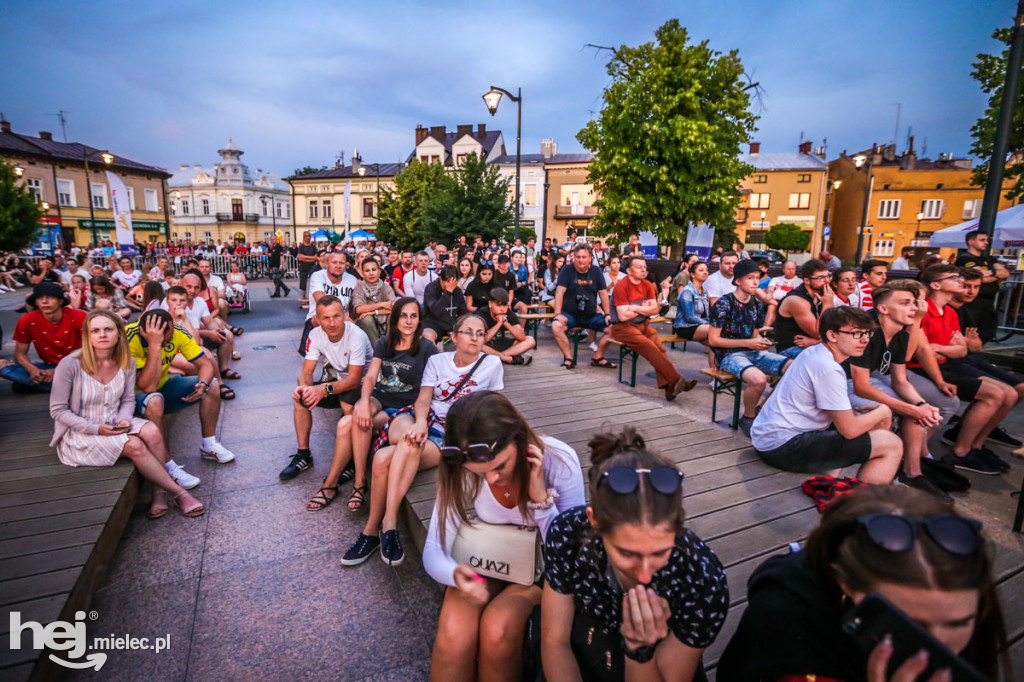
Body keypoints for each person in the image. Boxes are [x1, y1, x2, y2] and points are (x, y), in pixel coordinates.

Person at [717, 485, 1007, 682]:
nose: (934, 648)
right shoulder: (782, 625)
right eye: (912, 626)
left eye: (958, 624)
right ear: (845, 583)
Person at [542, 427, 728, 681]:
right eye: (627, 553)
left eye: (660, 552)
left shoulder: (702, 578)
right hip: (585, 651)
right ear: (594, 521)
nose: (644, 573)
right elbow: (554, 643)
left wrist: (639, 650)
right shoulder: (568, 534)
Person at [426, 391, 586, 682]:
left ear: (519, 436)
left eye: (499, 467)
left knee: (499, 627)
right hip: (484, 562)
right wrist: (459, 576)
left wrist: (541, 503)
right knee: (453, 631)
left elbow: (572, 556)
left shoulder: (559, 461)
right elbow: (434, 549)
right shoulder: (461, 468)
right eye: (479, 473)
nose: (492, 479)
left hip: (544, 572)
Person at [341, 314, 504, 567]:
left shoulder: (492, 364)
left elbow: (494, 407)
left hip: (449, 434)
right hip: (417, 417)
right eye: (468, 331)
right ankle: (388, 526)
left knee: (385, 457)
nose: (475, 337)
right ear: (454, 336)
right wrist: (419, 423)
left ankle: (374, 530)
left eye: (480, 333)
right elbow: (424, 398)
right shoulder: (438, 361)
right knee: (409, 438)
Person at [49, 311, 204, 518]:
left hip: (114, 422)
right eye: (95, 330)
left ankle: (159, 493)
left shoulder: (127, 362)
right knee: (134, 445)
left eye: (108, 329)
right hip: (81, 433)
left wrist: (123, 419)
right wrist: (96, 428)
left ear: (118, 334)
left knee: (152, 431)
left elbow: (128, 400)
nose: (102, 334)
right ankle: (179, 493)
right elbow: (57, 410)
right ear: (87, 336)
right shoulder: (70, 364)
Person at [308, 297, 438, 512]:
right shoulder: (384, 342)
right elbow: (370, 377)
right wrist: (364, 402)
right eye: (403, 315)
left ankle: (344, 484)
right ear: (395, 318)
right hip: (382, 398)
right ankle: (358, 481)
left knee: (347, 423)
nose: (408, 321)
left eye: (413, 316)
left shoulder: (427, 349)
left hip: (406, 407)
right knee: (357, 416)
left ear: (419, 320)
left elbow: (432, 386)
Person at [751, 306, 903, 484]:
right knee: (891, 443)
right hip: (782, 446)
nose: (864, 340)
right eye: (856, 334)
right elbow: (850, 430)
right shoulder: (827, 367)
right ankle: (863, 500)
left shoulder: (815, 353)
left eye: (867, 333)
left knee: (863, 420)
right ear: (832, 335)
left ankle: (830, 481)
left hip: (770, 438)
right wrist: (883, 410)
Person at [846, 282, 959, 500]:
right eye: (905, 303)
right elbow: (860, 385)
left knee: (917, 410)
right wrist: (911, 408)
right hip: (838, 382)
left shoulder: (900, 334)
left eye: (914, 303)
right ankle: (876, 479)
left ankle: (913, 473)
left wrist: (920, 405)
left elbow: (900, 380)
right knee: (891, 411)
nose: (914, 308)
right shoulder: (866, 331)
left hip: (864, 381)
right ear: (883, 309)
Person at [912, 265, 1011, 475]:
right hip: (920, 369)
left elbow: (961, 349)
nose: (960, 280)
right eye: (954, 277)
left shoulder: (949, 311)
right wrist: (945, 350)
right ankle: (961, 450)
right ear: (936, 285)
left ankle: (975, 446)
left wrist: (939, 348)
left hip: (944, 364)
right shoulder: (922, 309)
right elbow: (922, 352)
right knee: (995, 394)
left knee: (1008, 392)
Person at [128, 309, 237, 467]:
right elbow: (148, 386)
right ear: (143, 332)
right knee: (154, 401)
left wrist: (202, 384)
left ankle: (209, 444)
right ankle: (166, 465)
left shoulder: (177, 331)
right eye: (162, 342)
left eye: (168, 340)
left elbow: (205, 364)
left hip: (163, 385)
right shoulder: (129, 338)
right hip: (135, 395)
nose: (167, 345)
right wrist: (155, 345)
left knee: (212, 384)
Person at [279, 295, 371, 482]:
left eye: (336, 316)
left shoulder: (356, 336)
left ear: (345, 315)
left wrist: (323, 389)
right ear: (317, 319)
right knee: (301, 399)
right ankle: (304, 455)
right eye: (326, 318)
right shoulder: (315, 335)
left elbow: (354, 380)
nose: (332, 323)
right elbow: (306, 371)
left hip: (365, 385)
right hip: (338, 384)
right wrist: (304, 388)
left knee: (347, 404)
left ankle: (352, 460)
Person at [708, 259, 788, 437]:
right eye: (750, 278)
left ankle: (762, 409)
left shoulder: (756, 305)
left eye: (758, 278)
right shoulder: (723, 304)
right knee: (759, 380)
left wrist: (761, 343)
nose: (755, 282)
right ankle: (749, 417)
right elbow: (713, 340)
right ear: (738, 281)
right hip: (728, 355)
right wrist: (749, 343)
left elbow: (754, 333)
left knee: (796, 368)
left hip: (752, 351)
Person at [612, 257, 696, 400]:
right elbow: (623, 316)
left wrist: (633, 308)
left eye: (645, 267)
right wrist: (642, 308)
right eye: (639, 267)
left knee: (660, 348)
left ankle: (669, 388)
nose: (644, 269)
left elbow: (654, 310)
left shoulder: (648, 285)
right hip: (623, 328)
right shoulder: (622, 286)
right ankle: (676, 379)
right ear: (629, 271)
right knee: (650, 347)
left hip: (643, 324)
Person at [2, 282, 87, 392]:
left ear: (61, 301)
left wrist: (58, 371)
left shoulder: (79, 316)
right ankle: (55, 385)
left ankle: (41, 384)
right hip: (47, 367)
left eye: (50, 297)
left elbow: (93, 350)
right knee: (2, 366)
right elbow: (20, 354)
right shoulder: (27, 320)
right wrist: (32, 370)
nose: (44, 301)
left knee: (91, 371)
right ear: (36, 302)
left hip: (78, 366)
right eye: (40, 298)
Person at [551, 244, 618, 370]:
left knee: (614, 328)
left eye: (584, 257)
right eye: (578, 257)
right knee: (556, 326)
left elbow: (604, 294)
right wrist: (557, 314)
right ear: (574, 258)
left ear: (590, 258)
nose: (580, 260)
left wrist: (608, 314)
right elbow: (559, 292)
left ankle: (598, 357)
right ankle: (568, 358)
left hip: (591, 314)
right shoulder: (567, 270)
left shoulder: (596, 271)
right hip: (570, 315)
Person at [954, 230, 1010, 343]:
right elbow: (978, 277)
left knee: (988, 331)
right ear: (971, 242)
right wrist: (996, 274)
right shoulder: (965, 259)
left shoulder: (989, 259)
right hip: (973, 301)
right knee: (970, 329)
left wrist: (990, 273)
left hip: (989, 301)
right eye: (982, 240)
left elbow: (1005, 273)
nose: (986, 243)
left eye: (987, 240)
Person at [298, 251, 358, 355]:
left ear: (346, 265)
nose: (338, 266)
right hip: (318, 320)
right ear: (326, 264)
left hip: (343, 321)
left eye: (341, 263)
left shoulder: (352, 280)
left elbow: (354, 305)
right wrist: (346, 318)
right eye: (334, 262)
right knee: (327, 318)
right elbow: (323, 302)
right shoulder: (317, 276)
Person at [773, 259, 834, 357]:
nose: (827, 281)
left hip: (813, 344)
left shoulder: (822, 294)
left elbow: (833, 327)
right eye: (821, 277)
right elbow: (818, 332)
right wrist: (828, 304)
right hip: (790, 349)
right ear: (807, 280)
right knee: (827, 357)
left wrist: (816, 342)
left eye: (828, 276)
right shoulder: (797, 300)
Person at [476, 287, 536, 365]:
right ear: (490, 304)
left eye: (505, 305)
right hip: (487, 346)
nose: (502, 309)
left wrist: (507, 324)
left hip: (501, 344)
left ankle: (498, 357)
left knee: (530, 340)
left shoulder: (509, 313)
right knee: (478, 344)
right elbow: (482, 340)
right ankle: (507, 358)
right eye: (498, 306)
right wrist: (498, 324)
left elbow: (522, 337)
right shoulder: (482, 314)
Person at [422, 264, 470, 348]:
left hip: (451, 326)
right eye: (448, 281)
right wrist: (448, 292)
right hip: (432, 324)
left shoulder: (457, 291)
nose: (451, 285)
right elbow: (435, 311)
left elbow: (463, 313)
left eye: (454, 282)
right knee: (427, 338)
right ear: (441, 279)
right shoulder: (431, 288)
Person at [350, 257, 395, 346]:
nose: (371, 273)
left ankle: (391, 347)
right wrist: (382, 304)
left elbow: (393, 307)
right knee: (366, 319)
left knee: (394, 315)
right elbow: (359, 309)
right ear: (362, 274)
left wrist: (372, 312)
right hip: (368, 326)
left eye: (374, 270)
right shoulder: (359, 289)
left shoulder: (386, 287)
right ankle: (376, 351)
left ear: (379, 272)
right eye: (367, 271)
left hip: (385, 320)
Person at [674, 260, 711, 343]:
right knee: (717, 330)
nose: (705, 272)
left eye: (706, 270)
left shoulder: (704, 291)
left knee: (716, 345)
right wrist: (709, 322)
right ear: (692, 274)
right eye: (701, 270)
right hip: (685, 327)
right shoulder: (688, 291)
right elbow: (689, 317)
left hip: (701, 325)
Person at [296, 231, 319, 304]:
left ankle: (313, 298)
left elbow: (316, 257)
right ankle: (303, 298)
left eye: (309, 236)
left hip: (312, 267)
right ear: (304, 237)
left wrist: (306, 258)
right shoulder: (301, 247)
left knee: (314, 282)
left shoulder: (313, 247)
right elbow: (300, 258)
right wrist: (311, 258)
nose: (308, 237)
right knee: (303, 283)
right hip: (303, 267)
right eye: (306, 236)